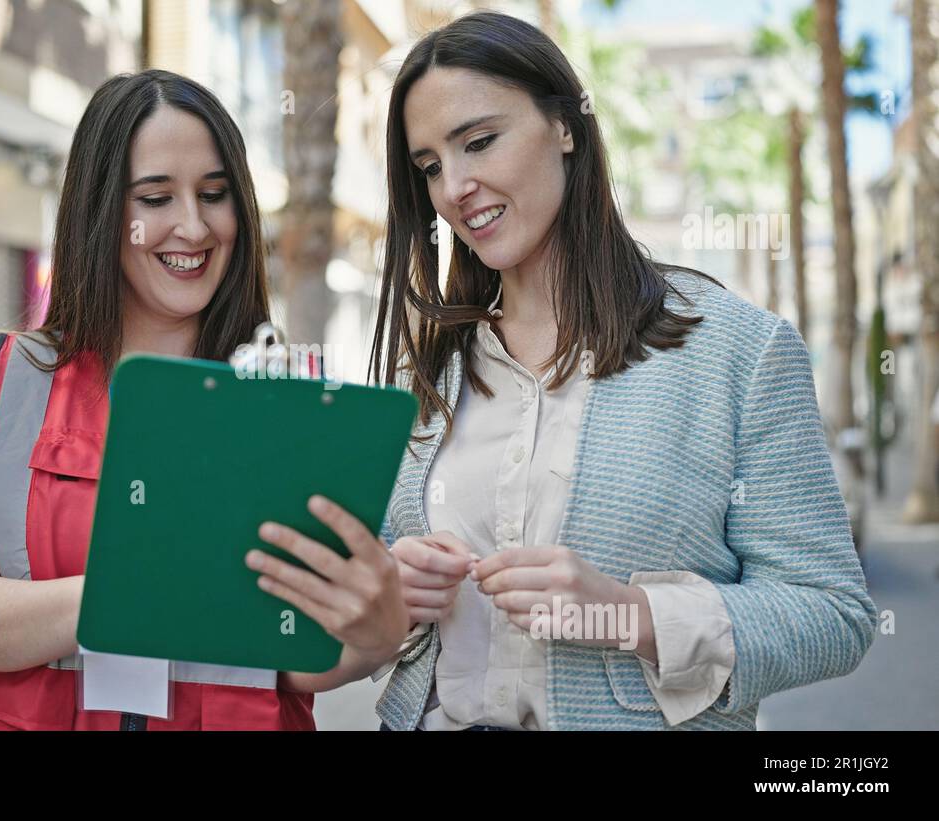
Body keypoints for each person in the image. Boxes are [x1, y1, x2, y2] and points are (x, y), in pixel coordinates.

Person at [367, 11, 877, 730]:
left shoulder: (737, 351)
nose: (454, 187)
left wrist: (632, 613)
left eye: (478, 142)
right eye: (429, 167)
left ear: (566, 127)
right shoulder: (425, 371)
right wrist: (392, 588)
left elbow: (834, 612)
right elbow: (371, 596)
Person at [0, 69, 407, 731]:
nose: (193, 225)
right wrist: (142, 591)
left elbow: (292, 660)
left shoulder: (290, 403)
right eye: (155, 197)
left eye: (214, 194)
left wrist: (371, 635)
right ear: (100, 210)